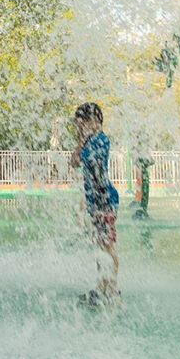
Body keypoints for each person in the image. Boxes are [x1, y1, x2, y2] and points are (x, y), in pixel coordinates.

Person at [70, 102, 120, 304]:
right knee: (100, 246)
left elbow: (95, 167)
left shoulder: (100, 139)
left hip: (104, 200)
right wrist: (80, 140)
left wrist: (100, 203)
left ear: (94, 121)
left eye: (82, 123)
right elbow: (74, 162)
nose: (79, 127)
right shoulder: (88, 140)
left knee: (107, 246)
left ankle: (112, 290)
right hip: (95, 202)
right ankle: (101, 287)